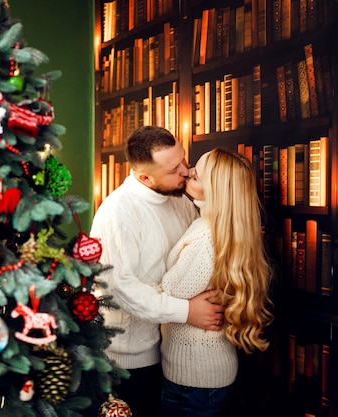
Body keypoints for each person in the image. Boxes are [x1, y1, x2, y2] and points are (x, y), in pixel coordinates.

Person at [90, 126, 225, 417]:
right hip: (122, 360)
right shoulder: (117, 213)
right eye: (175, 169)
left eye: (184, 159)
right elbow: (120, 289)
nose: (187, 172)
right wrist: (187, 311)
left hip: (165, 352)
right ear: (145, 178)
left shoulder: (180, 198)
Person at [159, 148, 274, 417]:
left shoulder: (204, 237)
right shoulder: (225, 230)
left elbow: (167, 294)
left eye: (196, 177)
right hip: (208, 372)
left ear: (216, 192)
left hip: (192, 377)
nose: (186, 174)